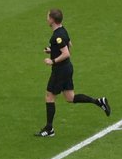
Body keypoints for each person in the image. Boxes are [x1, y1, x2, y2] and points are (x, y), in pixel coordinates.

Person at [38, 8, 110, 137]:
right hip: (67, 68)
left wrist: (52, 61)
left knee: (49, 96)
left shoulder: (57, 36)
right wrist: (52, 50)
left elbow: (66, 53)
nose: (46, 19)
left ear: (52, 20)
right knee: (70, 98)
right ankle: (99, 102)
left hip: (60, 70)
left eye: (48, 17)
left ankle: (49, 129)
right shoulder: (63, 30)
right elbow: (69, 45)